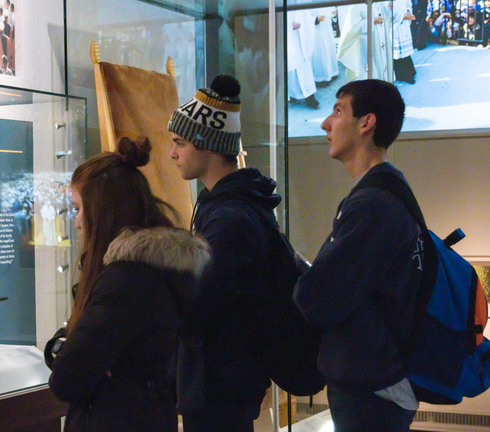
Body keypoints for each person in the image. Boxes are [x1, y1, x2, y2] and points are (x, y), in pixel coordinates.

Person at [46, 137, 210, 432]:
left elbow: (67, 379)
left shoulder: (126, 280)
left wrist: (71, 352)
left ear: (103, 211)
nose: (78, 222)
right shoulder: (155, 270)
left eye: (80, 209)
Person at [293, 79, 423, 432]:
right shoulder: (385, 194)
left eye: (337, 111)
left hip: (370, 390)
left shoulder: (373, 205)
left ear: (366, 123)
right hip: (377, 382)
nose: (325, 124)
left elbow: (316, 298)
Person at [167, 74, 281, 432]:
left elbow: (200, 299)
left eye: (180, 143)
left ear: (206, 144)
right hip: (225, 379)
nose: (172, 153)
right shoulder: (229, 206)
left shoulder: (229, 218)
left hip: (221, 382)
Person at [287, 9, 319, 108]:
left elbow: (306, 18)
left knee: (304, 68)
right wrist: (289, 27)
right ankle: (292, 94)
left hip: (300, 39)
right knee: (291, 70)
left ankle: (309, 96)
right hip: (288, 39)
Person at [311, 7, 339, 86]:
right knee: (321, 52)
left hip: (327, 28)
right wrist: (316, 19)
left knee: (329, 50)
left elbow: (331, 10)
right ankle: (321, 77)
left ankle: (332, 72)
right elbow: (304, 17)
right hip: (317, 30)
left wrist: (334, 14)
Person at [392, 0, 417, 84]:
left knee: (404, 52)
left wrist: (408, 13)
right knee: (396, 53)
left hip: (404, 24)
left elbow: (409, 4)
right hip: (393, 26)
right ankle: (400, 74)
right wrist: (402, 16)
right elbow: (385, 9)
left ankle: (408, 74)